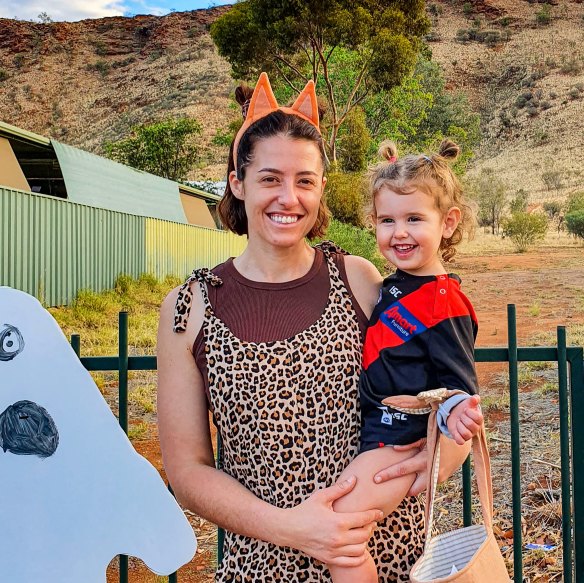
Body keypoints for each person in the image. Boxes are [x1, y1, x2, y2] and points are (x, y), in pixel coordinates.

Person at [157, 73, 471, 582]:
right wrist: (294, 528)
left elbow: (444, 387)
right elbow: (188, 470)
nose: (289, 198)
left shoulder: (360, 279)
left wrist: (430, 465)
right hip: (265, 563)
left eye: (305, 180)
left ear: (322, 186)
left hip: (390, 552)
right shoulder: (188, 308)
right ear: (237, 183)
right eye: (269, 179)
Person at [327, 139, 485, 583]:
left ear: (448, 223)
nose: (399, 232)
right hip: (378, 432)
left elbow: (459, 385)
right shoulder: (395, 285)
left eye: (414, 218)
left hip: (398, 438)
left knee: (339, 532)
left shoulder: (444, 300)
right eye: (387, 220)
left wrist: (456, 414)